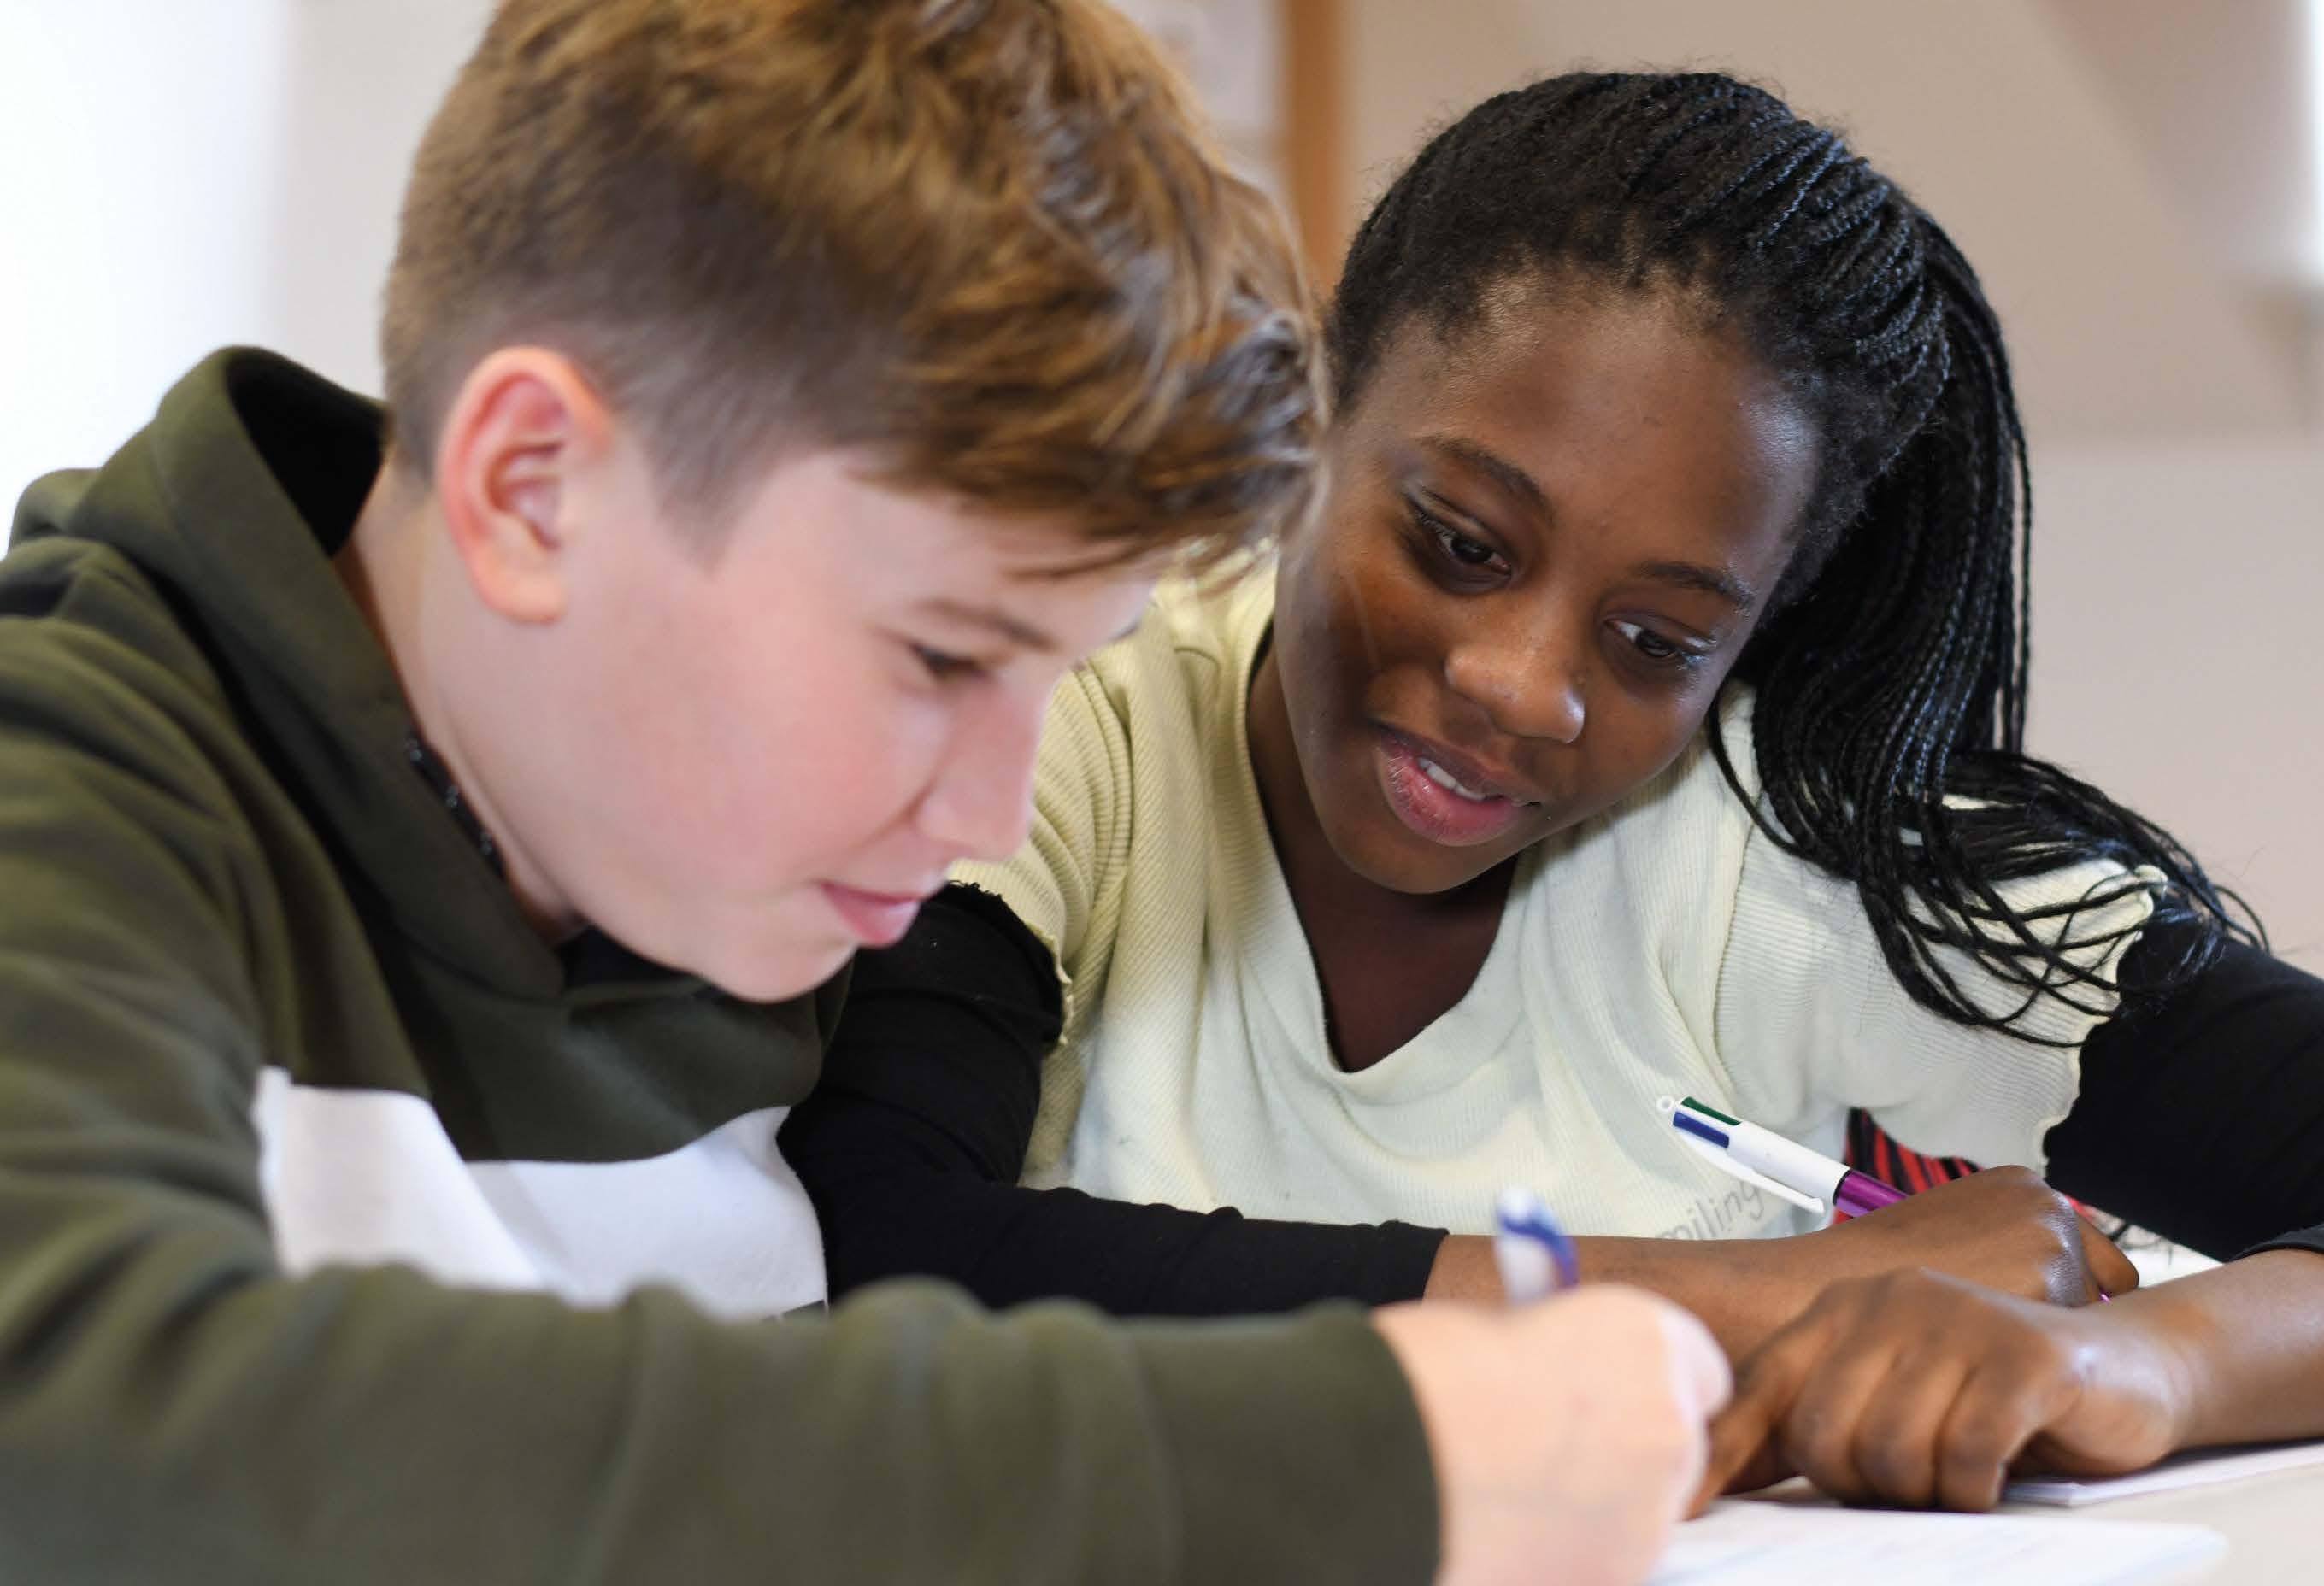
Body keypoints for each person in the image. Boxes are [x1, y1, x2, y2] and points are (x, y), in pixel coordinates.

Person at [0, 8, 1735, 1582]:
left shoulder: (736, 871)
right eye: (938, 658)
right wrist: (1337, 1463)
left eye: (1058, 671)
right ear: (533, 490)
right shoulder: (71, 784)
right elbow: (78, 1430)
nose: (991, 815)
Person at [784, 69, 2324, 1502]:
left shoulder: (1778, 854)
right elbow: (873, 1252)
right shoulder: (1069, 711)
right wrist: (1746, 1299)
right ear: (1315, 414)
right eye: (1461, 545)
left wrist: (2133, 1368)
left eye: (1657, 640)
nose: (1523, 686)